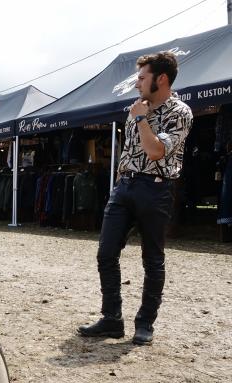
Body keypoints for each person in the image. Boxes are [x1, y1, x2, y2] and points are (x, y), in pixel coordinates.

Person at [78, 51, 193, 346]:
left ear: (162, 79)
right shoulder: (135, 109)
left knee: (152, 259)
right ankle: (112, 319)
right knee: (106, 253)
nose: (137, 83)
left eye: (142, 78)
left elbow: (156, 151)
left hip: (156, 189)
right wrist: (119, 181)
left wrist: (141, 119)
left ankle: (145, 324)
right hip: (125, 186)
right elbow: (130, 151)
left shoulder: (180, 112)